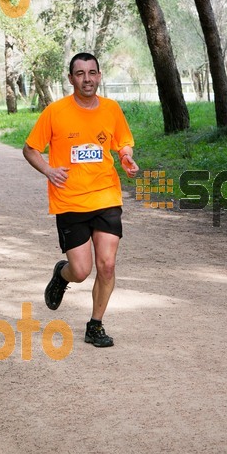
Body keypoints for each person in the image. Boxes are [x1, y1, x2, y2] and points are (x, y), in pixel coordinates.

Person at [23, 52, 139, 347]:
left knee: (108, 265)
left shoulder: (111, 109)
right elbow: (30, 149)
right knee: (81, 270)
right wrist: (48, 170)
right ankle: (62, 275)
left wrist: (126, 156)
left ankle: (95, 325)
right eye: (80, 73)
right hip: (70, 201)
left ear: (99, 76)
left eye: (92, 73)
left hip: (106, 195)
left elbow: (122, 141)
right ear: (71, 78)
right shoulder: (56, 111)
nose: (87, 79)